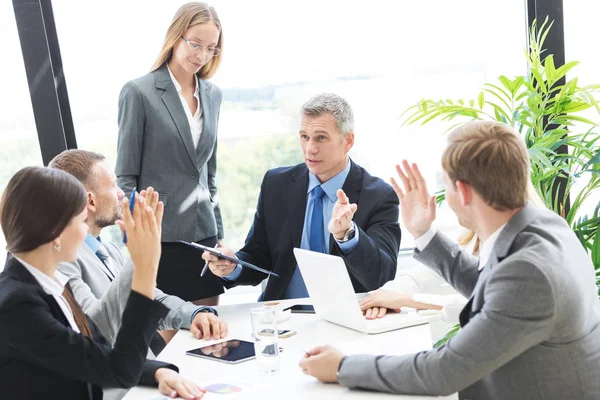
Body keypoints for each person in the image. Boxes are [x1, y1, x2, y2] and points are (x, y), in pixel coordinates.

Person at [299, 121, 600, 399]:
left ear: (464, 191)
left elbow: (441, 373)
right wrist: (423, 232)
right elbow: (491, 287)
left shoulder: (528, 271)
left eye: (446, 184)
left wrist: (341, 366)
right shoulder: (542, 227)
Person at [0, 167, 205, 400]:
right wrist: (145, 266)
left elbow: (97, 355)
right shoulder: (18, 305)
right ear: (56, 232)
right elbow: (117, 370)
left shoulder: (46, 285)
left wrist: (158, 371)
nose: (85, 231)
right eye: (80, 221)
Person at [204, 93, 401, 300]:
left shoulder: (379, 196)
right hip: (284, 319)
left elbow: (381, 276)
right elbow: (258, 257)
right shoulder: (276, 184)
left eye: (321, 138)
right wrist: (232, 265)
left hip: (349, 320)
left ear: (348, 141)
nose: (310, 149)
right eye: (304, 137)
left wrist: (348, 235)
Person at [50, 150, 228, 353]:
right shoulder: (63, 262)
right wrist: (139, 255)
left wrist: (194, 314)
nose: (120, 193)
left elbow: (147, 299)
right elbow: (96, 330)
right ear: (90, 201)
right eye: (112, 185)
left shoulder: (109, 250)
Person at [115, 2, 225, 306]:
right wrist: (136, 241)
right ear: (176, 36)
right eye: (194, 44)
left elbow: (208, 174)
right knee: (171, 344)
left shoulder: (213, 95)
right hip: (160, 240)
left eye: (210, 48)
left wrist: (220, 234)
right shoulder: (139, 92)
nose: (201, 55)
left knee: (211, 339)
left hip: (204, 236)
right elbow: (125, 177)